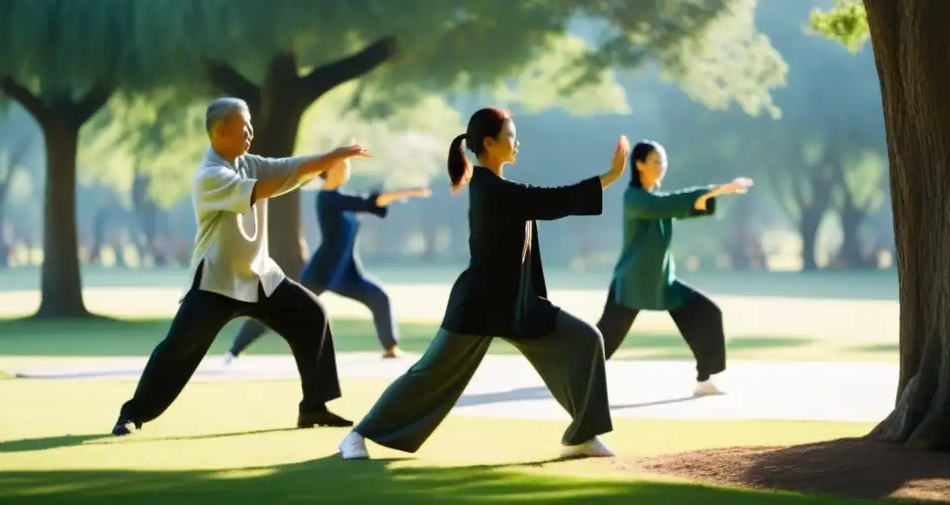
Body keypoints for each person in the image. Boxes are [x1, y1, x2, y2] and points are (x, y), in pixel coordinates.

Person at [338, 107, 630, 461]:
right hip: (479, 303)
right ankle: (358, 434)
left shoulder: (500, 188)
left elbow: (545, 201)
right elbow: (553, 200)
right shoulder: (491, 188)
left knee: (586, 339)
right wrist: (611, 176)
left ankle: (583, 436)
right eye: (510, 136)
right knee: (430, 374)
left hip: (518, 304)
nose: (516, 142)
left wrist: (608, 177)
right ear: (489, 143)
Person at [110, 97, 371, 437]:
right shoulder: (210, 176)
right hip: (216, 282)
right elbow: (266, 187)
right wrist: (321, 164)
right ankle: (131, 415)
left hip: (260, 275)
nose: (250, 132)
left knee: (312, 314)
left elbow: (287, 168)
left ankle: (314, 407)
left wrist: (328, 159)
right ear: (221, 132)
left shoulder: (248, 163)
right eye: (244, 125)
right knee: (178, 350)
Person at [224, 158, 431, 362]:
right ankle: (234, 350)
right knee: (281, 308)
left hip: (346, 273)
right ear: (328, 171)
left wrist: (405, 193)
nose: (346, 169)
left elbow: (371, 202)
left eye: (347, 167)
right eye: (342, 165)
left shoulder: (342, 198)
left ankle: (390, 348)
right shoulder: (327, 198)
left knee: (379, 298)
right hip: (322, 271)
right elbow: (371, 201)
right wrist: (410, 191)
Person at [595, 140, 753, 397]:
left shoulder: (655, 200)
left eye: (664, 162)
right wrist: (717, 189)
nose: (662, 166)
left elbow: (685, 206)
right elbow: (670, 204)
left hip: (662, 282)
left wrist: (716, 194)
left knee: (708, 313)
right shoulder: (634, 199)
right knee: (605, 341)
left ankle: (705, 379)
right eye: (656, 161)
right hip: (632, 282)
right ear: (639, 165)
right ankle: (571, 372)